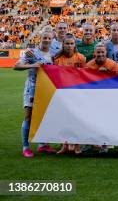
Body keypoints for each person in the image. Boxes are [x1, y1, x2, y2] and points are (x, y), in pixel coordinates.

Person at [14, 29, 55, 158]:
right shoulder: (32, 53)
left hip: (46, 90)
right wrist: (32, 66)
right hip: (31, 89)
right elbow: (16, 66)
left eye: (49, 38)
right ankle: (25, 147)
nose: (47, 40)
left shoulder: (53, 54)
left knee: (45, 117)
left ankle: (42, 145)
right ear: (40, 38)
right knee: (29, 117)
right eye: (45, 38)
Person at [54, 34, 86, 155]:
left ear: (75, 45)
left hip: (77, 93)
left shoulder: (81, 58)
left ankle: (77, 146)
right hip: (62, 94)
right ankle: (64, 145)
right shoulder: (57, 59)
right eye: (67, 43)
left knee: (77, 120)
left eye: (72, 43)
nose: (69, 46)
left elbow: (85, 75)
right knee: (63, 120)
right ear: (63, 45)